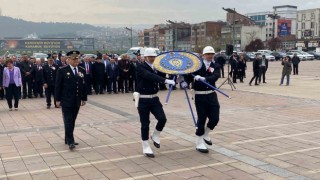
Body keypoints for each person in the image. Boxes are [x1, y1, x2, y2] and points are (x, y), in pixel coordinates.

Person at [135, 48, 175, 158]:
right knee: (145, 123)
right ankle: (145, 145)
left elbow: (166, 70)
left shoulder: (156, 66)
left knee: (162, 119)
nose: (152, 58)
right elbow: (149, 76)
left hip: (154, 99)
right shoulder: (140, 67)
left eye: (154, 57)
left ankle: (155, 135)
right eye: (150, 57)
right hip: (143, 99)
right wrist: (166, 80)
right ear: (145, 57)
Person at [187, 46, 221, 153]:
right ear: (203, 55)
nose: (210, 56)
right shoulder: (197, 65)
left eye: (212, 54)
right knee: (201, 118)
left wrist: (204, 78)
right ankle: (199, 142)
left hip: (211, 94)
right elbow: (188, 75)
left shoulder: (215, 65)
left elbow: (215, 76)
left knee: (215, 118)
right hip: (200, 95)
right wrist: (184, 81)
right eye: (208, 54)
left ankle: (206, 133)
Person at [55, 51, 87, 150]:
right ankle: (70, 141)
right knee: (68, 121)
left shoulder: (81, 70)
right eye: (74, 59)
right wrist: (57, 99)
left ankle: (67, 138)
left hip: (76, 100)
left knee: (72, 121)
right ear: (68, 60)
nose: (76, 61)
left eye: (77, 59)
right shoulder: (62, 70)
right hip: (66, 100)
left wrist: (84, 98)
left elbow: (83, 85)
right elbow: (58, 86)